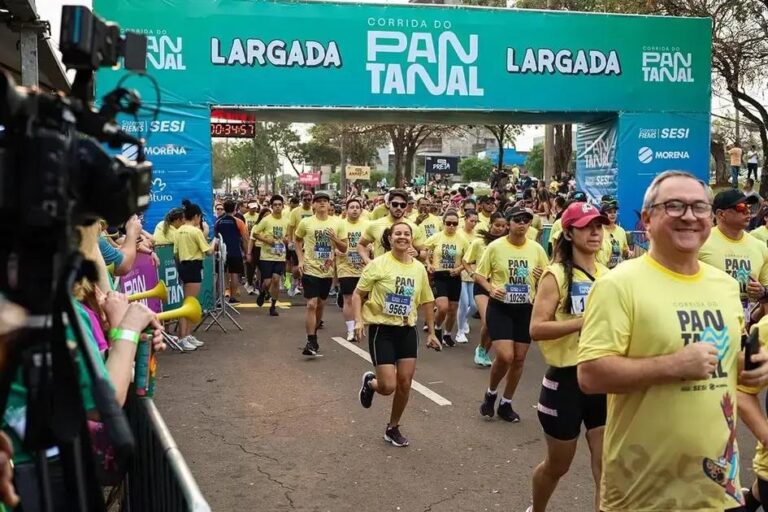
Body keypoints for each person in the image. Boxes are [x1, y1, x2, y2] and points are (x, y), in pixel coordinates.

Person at [577, 170, 768, 512]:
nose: (689, 216)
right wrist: (673, 366)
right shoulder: (618, 285)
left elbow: (729, 359)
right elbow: (590, 375)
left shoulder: (723, 286)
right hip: (644, 490)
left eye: (699, 207)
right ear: (648, 219)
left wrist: (749, 367)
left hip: (718, 485)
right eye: (675, 206)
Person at [527, 202, 609, 512]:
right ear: (569, 232)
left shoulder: (608, 274)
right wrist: (583, 321)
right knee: (557, 466)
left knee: (605, 468)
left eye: (598, 225)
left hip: (602, 377)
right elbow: (536, 328)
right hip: (565, 382)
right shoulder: (556, 274)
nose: (595, 231)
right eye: (587, 226)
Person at [354, 221, 441, 447]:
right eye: (398, 234)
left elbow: (427, 300)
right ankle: (371, 384)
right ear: (390, 238)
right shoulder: (378, 264)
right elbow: (358, 295)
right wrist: (358, 321)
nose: (402, 237)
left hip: (406, 330)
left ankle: (393, 427)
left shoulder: (418, 268)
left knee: (405, 383)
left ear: (411, 238)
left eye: (406, 234)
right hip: (382, 331)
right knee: (388, 386)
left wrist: (431, 333)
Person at [476, 206, 548, 422]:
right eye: (517, 220)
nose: (522, 224)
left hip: (525, 308)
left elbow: (549, 277)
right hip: (501, 307)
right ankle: (491, 393)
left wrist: (541, 275)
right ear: (508, 223)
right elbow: (479, 275)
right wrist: (491, 289)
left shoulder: (536, 249)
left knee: (518, 359)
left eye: (526, 220)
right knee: (506, 356)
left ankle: (506, 403)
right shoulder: (496, 247)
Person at [699, 189, 768, 326]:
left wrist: (762, 292)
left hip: (742, 328)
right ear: (721, 214)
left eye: (749, 207)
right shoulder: (700, 242)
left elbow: (766, 291)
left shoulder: (759, 247)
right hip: (706, 326)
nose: (747, 211)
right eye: (741, 207)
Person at [295, 192, 347, 356]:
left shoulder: (337, 223)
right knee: (312, 303)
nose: (322, 204)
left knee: (321, 305)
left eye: (325, 201)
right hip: (310, 268)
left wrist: (335, 239)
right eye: (319, 201)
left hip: (327, 270)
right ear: (314, 205)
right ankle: (310, 339)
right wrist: (301, 260)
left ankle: (314, 334)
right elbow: (297, 240)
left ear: (330, 205)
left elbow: (344, 247)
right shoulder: (306, 222)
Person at [464, 212, 508, 366]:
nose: (500, 229)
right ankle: (482, 350)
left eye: (503, 226)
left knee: (494, 323)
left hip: (501, 287)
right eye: (497, 225)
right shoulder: (479, 242)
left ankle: (483, 349)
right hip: (482, 285)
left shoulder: (508, 244)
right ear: (490, 225)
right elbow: (466, 260)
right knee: (488, 321)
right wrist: (472, 273)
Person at [423, 210, 470, 347]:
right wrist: (428, 263)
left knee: (453, 309)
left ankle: (448, 334)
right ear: (443, 223)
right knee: (442, 307)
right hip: (439, 275)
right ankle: (437, 329)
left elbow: (468, 259)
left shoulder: (462, 240)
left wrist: (460, 269)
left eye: (454, 224)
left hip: (454, 276)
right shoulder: (436, 237)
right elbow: (424, 250)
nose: (451, 226)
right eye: (448, 223)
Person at [174, 201, 217, 350]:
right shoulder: (195, 231)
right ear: (197, 216)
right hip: (193, 266)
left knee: (188, 303)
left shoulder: (178, 230)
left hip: (183, 266)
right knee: (188, 304)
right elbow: (208, 251)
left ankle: (187, 335)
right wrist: (214, 242)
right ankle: (182, 337)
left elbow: (176, 253)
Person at [358, 189, 425, 262]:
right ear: (388, 204)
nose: (399, 208)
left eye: (402, 205)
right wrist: (367, 260)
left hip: (404, 271)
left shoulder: (413, 227)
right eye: (395, 204)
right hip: (381, 271)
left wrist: (417, 254)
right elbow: (361, 245)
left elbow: (424, 253)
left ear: (406, 206)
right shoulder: (375, 225)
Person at [252, 195, 290, 317]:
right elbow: (256, 233)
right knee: (267, 282)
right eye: (275, 205)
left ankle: (273, 306)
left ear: (283, 206)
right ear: (272, 206)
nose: (278, 207)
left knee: (276, 280)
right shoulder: (266, 220)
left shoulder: (286, 221)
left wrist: (286, 240)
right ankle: (263, 292)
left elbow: (289, 236)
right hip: (266, 256)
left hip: (279, 256)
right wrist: (267, 240)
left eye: (280, 205)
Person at [337, 197, 369, 342]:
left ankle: (359, 324)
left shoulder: (367, 225)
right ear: (346, 210)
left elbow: (372, 243)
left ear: (361, 210)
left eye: (357, 207)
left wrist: (370, 249)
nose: (355, 209)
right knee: (348, 298)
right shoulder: (340, 225)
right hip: (345, 267)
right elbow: (333, 243)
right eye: (352, 207)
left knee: (361, 298)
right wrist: (336, 251)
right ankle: (350, 329)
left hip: (363, 268)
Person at [214, 200, 247, 304]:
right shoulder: (239, 222)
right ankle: (232, 298)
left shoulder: (218, 222)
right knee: (234, 274)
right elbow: (245, 238)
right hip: (235, 252)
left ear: (224, 208)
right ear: (234, 209)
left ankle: (219, 299)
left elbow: (215, 238)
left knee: (220, 274)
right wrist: (247, 253)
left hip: (221, 252)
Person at [288, 190, 315, 296]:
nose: (307, 201)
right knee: (296, 267)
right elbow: (290, 227)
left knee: (310, 265)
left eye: (309, 199)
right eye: (305, 199)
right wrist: (290, 241)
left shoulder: (315, 210)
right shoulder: (295, 212)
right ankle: (294, 284)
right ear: (301, 200)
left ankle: (306, 286)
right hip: (298, 243)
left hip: (312, 243)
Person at [596, 196, 630, 269]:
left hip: (617, 272)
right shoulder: (597, 230)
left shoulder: (621, 231)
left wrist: (628, 253)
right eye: (609, 212)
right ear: (603, 214)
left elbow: (625, 250)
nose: (613, 214)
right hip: (600, 272)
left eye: (614, 212)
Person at [243, 201, 262, 295]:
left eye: (255, 207)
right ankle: (249, 282)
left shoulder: (259, 216)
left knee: (259, 265)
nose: (254, 209)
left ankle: (257, 283)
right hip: (248, 241)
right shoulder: (245, 217)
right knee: (250, 264)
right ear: (248, 207)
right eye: (252, 207)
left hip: (258, 243)